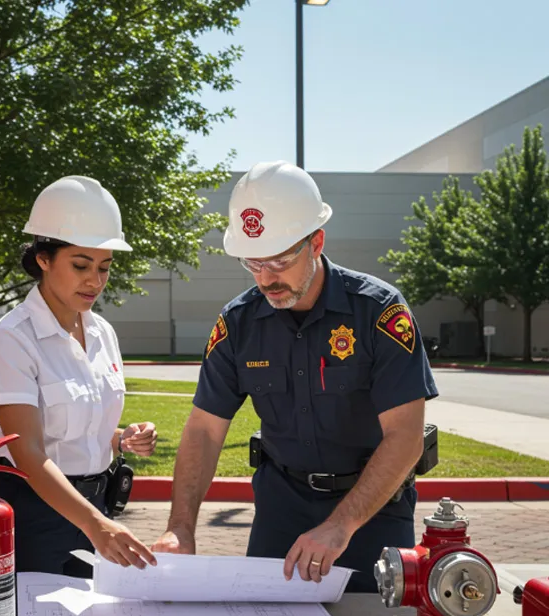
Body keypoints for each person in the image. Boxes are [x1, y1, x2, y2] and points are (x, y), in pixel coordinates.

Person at [152, 161, 438, 593]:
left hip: (372, 510)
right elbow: (204, 430)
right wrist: (180, 527)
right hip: (280, 510)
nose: (266, 279)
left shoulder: (378, 312)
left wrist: (340, 526)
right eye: (253, 263)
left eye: (280, 260)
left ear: (316, 242)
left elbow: (405, 437)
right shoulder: (238, 324)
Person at [0, 175, 158, 577]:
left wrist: (120, 438)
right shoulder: (12, 338)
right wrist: (95, 525)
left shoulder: (102, 333)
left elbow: (77, 428)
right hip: (34, 514)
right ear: (44, 259)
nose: (95, 281)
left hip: (96, 508)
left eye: (105, 268)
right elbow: (28, 452)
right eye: (80, 265)